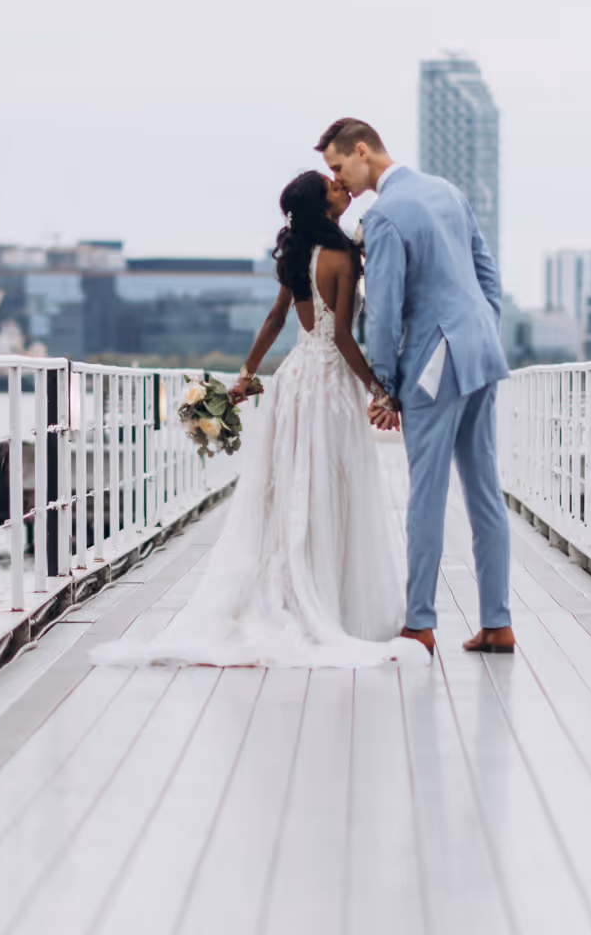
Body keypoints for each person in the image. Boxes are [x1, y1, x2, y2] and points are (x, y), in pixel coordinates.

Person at [95, 171, 423, 669]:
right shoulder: (341, 258)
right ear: (324, 205)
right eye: (333, 186)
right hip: (330, 383)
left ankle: (287, 592)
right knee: (331, 486)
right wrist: (380, 389)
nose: (342, 187)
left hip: (294, 381)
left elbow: (275, 320)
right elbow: (342, 338)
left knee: (289, 487)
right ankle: (326, 602)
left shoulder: (300, 255)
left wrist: (246, 376)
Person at [318, 115, 515, 656]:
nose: (341, 183)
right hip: (480, 350)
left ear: (363, 150)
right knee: (484, 491)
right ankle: (498, 621)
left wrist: (384, 386)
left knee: (425, 495)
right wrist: (481, 327)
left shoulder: (384, 217)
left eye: (340, 167)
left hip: (434, 361)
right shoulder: (447, 191)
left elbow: (382, 312)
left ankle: (421, 623)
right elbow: (487, 271)